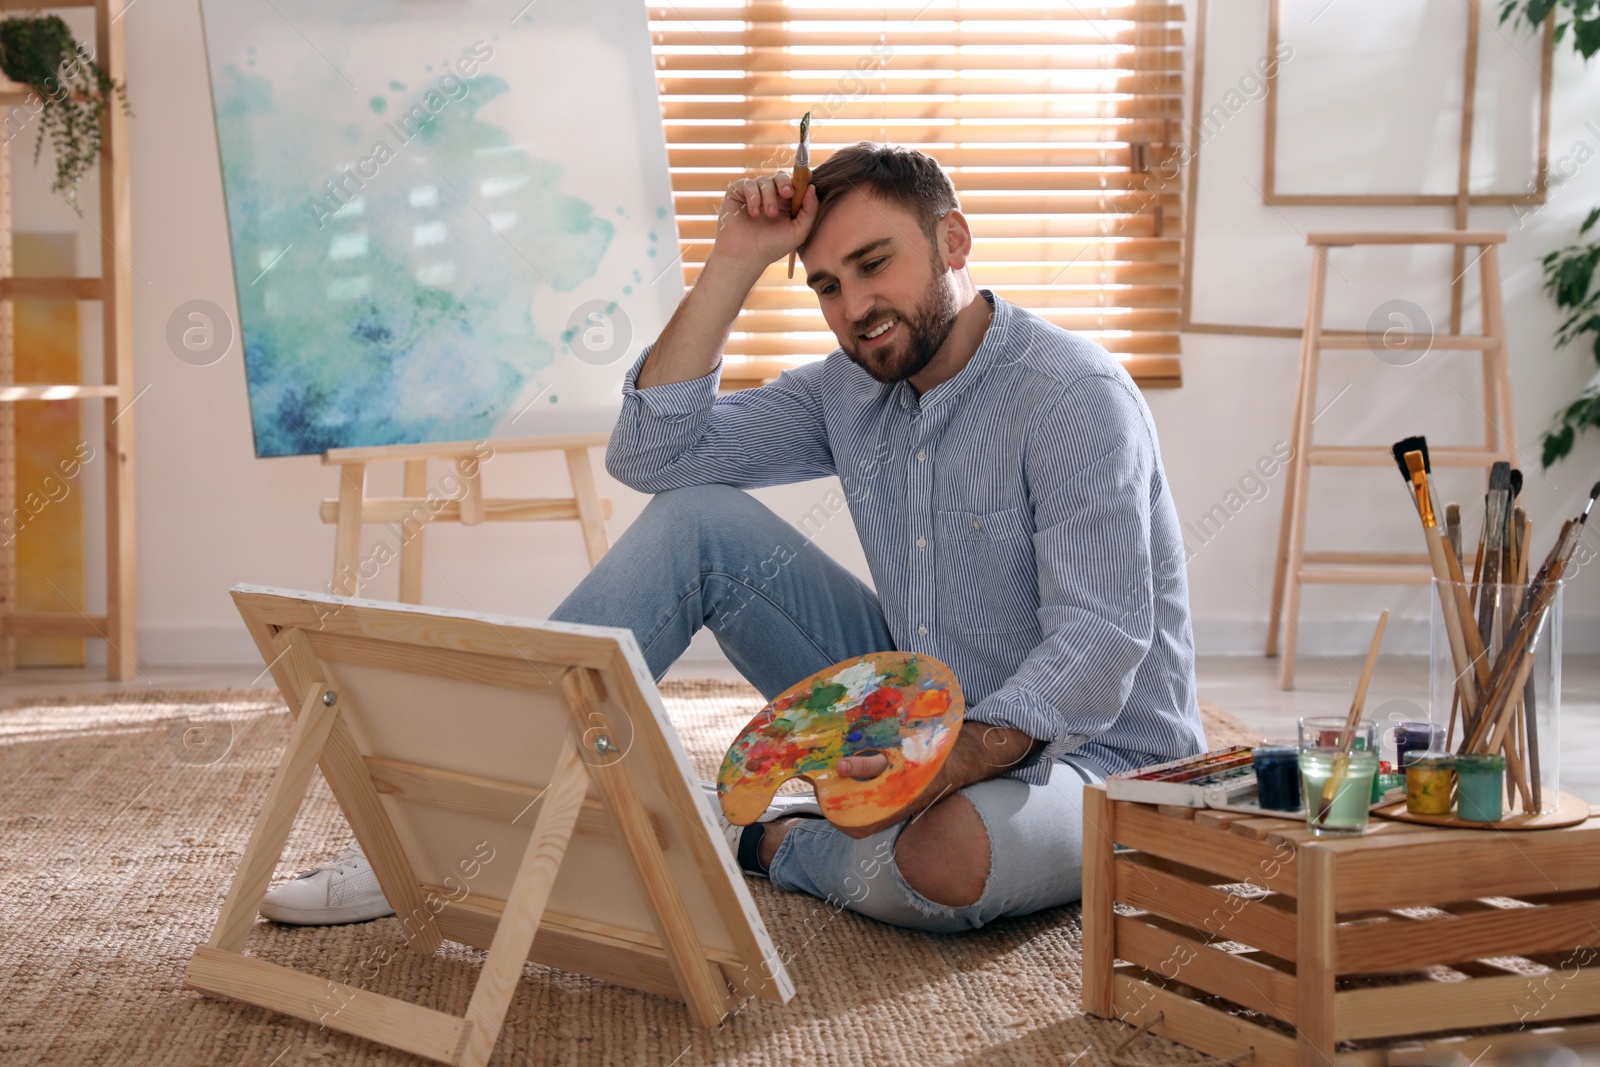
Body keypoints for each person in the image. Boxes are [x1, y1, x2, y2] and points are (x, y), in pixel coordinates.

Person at [260, 142, 1204, 933]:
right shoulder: (852, 385)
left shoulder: (1071, 395)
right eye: (827, 285)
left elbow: (1100, 642)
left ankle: (756, 835)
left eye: (876, 264)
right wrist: (735, 264)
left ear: (952, 239)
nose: (854, 308)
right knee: (694, 521)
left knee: (944, 858)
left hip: (1101, 757)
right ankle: (432, 831)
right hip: (922, 705)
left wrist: (936, 771)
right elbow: (652, 453)